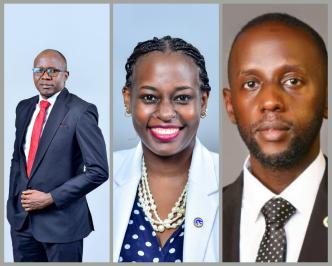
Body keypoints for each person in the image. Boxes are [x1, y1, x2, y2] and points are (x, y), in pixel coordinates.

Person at [222, 13, 327, 262]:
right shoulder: (202, 214)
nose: (270, 101)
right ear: (230, 106)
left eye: (292, 81)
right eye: (251, 84)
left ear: (326, 98)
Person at [113, 36, 219, 262]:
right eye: (150, 97)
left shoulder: (231, 181)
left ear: (203, 100)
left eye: (182, 98)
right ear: (127, 99)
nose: (166, 113)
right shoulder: (103, 175)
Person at [7, 49, 109, 262]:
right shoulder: (24, 108)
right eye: (39, 70)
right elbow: (19, 159)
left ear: (66, 75)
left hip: (62, 225)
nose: (45, 76)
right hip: (22, 224)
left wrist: (50, 198)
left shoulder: (81, 111)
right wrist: (14, 203)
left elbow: (98, 171)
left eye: (53, 70)